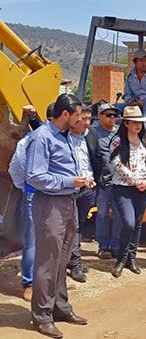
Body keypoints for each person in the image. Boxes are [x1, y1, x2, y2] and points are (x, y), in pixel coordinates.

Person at [26, 93, 92, 338]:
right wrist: (69, 180)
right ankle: (42, 316)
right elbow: (35, 176)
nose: (81, 120)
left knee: (62, 260)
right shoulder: (42, 137)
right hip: (50, 205)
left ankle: (60, 307)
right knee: (48, 262)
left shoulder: (67, 137)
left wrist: (81, 180)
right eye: (78, 115)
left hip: (68, 202)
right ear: (66, 115)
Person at [8, 104, 53, 302]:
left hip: (55, 197)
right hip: (34, 195)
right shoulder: (29, 142)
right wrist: (27, 187)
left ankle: (49, 281)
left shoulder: (61, 141)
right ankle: (28, 283)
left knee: (52, 240)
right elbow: (15, 168)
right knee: (32, 241)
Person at [109, 106, 146, 278]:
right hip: (123, 188)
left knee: (137, 223)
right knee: (128, 222)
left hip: (144, 187)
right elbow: (116, 163)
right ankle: (121, 258)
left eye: (140, 123)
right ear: (126, 123)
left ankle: (131, 257)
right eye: (134, 122)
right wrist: (135, 181)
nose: (138, 126)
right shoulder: (118, 141)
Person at [67, 105, 97, 283]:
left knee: (80, 226)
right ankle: (74, 263)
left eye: (89, 119)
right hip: (70, 190)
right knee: (73, 226)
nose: (87, 123)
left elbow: (95, 159)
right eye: (83, 119)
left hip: (87, 190)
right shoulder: (63, 138)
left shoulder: (91, 135)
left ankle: (73, 260)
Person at [94, 103, 122, 259]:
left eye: (114, 115)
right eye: (108, 115)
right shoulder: (93, 133)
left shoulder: (121, 132)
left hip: (120, 181)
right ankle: (103, 246)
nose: (113, 118)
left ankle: (116, 244)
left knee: (118, 214)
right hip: (103, 182)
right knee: (102, 214)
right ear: (99, 117)